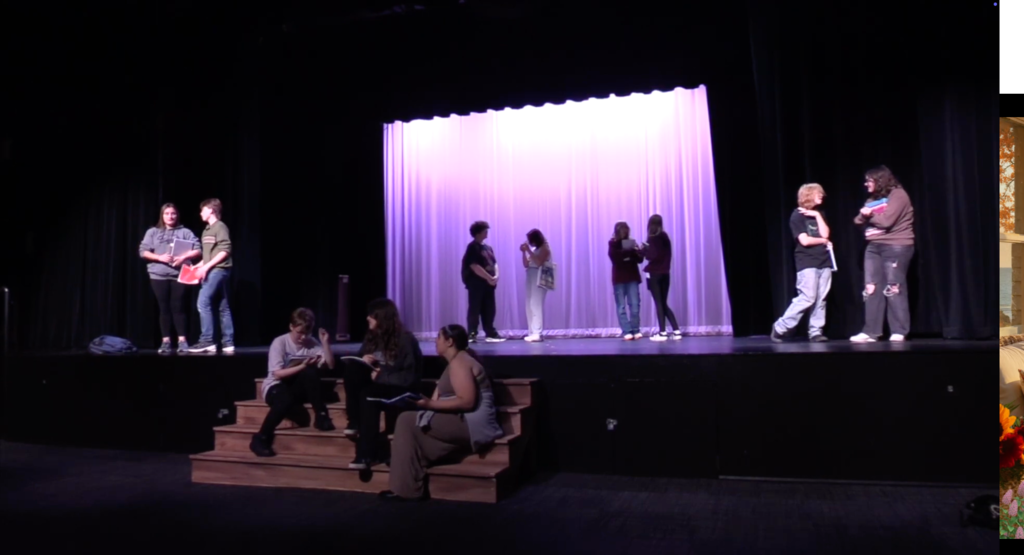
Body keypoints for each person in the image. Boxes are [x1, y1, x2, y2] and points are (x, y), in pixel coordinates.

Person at [378, 324, 503, 501]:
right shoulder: (453, 364)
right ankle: (407, 477)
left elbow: (467, 401)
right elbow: (437, 401)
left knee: (406, 421)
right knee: (414, 429)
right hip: (461, 420)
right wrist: (425, 403)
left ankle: (406, 488)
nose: (435, 341)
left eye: (438, 337)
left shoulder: (460, 362)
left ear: (450, 341)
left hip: (470, 423)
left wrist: (429, 404)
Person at [344, 298, 423, 469]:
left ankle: (365, 454)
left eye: (371, 315)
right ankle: (354, 421)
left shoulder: (405, 340)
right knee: (352, 370)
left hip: (400, 388)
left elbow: (409, 378)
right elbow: (360, 364)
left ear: (382, 317)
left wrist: (381, 377)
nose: (367, 318)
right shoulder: (371, 337)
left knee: (368, 396)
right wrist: (362, 360)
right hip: (378, 385)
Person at [249, 308, 336, 457]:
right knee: (285, 399)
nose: (303, 337)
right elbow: (277, 374)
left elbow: (331, 365)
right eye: (299, 333)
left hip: (296, 387)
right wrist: (302, 365)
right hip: (275, 385)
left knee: (311, 373)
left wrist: (325, 343)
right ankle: (261, 437)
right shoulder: (280, 342)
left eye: (306, 333)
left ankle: (321, 416)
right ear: (291, 327)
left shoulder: (312, 343)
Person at [850, 165, 915, 342]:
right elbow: (857, 220)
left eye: (869, 180)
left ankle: (899, 330)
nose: (866, 184)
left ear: (879, 181)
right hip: (873, 246)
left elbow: (887, 221)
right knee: (871, 287)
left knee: (894, 287)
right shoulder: (874, 199)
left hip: (896, 245)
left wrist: (868, 215)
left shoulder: (898, 195)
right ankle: (871, 331)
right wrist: (866, 215)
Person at [770, 184, 833, 343]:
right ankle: (780, 327)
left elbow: (826, 233)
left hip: (824, 261)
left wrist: (817, 216)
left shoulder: (819, 213)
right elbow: (805, 241)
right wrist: (823, 241)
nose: (822, 195)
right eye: (819, 193)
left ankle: (816, 331)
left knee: (821, 299)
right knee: (807, 297)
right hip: (807, 262)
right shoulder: (797, 216)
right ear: (809, 194)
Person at [138, 203, 201, 353]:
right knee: (164, 308)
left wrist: (183, 257)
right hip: (158, 274)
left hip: (180, 274)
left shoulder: (185, 232)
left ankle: (182, 340)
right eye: (167, 213)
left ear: (177, 215)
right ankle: (165, 341)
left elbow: (198, 250)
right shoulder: (152, 232)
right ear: (162, 215)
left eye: (173, 213)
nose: (170, 216)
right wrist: (160, 257)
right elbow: (143, 251)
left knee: (178, 307)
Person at [188, 198, 235, 353]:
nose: (200, 213)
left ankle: (207, 340)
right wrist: (197, 266)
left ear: (211, 210)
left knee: (203, 301)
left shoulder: (220, 227)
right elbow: (210, 255)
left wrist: (206, 267)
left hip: (219, 270)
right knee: (223, 306)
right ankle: (228, 342)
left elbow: (225, 250)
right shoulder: (207, 230)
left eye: (203, 210)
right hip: (212, 268)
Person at [461, 220, 506, 343]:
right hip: (476, 284)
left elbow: (494, 262)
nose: (487, 233)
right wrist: (488, 277)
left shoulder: (488, 248)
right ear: (478, 233)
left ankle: (490, 332)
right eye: (485, 231)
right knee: (475, 308)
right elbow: (474, 265)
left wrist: (496, 276)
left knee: (489, 309)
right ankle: (472, 333)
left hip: (489, 285)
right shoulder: (472, 247)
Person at [639, 215, 682, 341]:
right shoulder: (665, 237)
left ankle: (662, 332)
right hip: (665, 273)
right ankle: (676, 330)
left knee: (658, 303)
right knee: (663, 303)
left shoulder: (652, 239)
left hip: (654, 274)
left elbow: (651, 256)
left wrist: (643, 251)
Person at [608, 221, 644, 340]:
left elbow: (639, 260)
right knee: (621, 306)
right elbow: (615, 258)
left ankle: (635, 329)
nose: (625, 234)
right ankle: (627, 330)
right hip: (619, 278)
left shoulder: (632, 243)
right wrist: (628, 253)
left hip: (632, 277)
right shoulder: (612, 244)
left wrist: (639, 252)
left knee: (635, 305)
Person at [520, 228, 552, 342]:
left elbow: (539, 262)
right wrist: (524, 252)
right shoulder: (536, 249)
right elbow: (526, 264)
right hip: (530, 275)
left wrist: (528, 250)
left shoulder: (545, 248)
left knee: (535, 304)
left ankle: (537, 332)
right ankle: (532, 331)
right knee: (529, 304)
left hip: (539, 277)